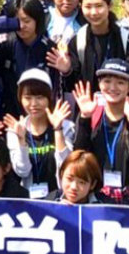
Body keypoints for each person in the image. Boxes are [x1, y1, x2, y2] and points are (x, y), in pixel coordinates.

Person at [73, 59, 129, 205]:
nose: (112, 87)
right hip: (96, 198)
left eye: (120, 82)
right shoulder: (93, 114)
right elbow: (79, 157)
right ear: (99, 84)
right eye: (107, 81)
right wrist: (84, 118)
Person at [58, 0, 129, 91]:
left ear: (109, 5)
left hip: (120, 104)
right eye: (88, 7)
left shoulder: (125, 39)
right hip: (88, 105)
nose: (94, 12)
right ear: (81, 7)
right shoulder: (77, 41)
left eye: (99, 6)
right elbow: (74, 86)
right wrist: (67, 71)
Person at [5, 69, 76, 199]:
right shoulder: (15, 130)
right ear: (20, 99)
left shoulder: (66, 127)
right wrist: (22, 141)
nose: (33, 104)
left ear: (49, 98)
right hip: (29, 201)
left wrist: (58, 129)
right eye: (27, 98)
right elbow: (22, 171)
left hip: (59, 199)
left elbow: (67, 167)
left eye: (40, 97)